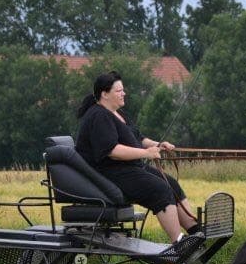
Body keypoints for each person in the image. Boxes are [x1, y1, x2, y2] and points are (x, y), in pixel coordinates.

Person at [75, 71, 199, 246]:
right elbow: (112, 150)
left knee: (172, 184)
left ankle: (196, 234)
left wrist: (158, 144)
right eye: (119, 91)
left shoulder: (118, 113)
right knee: (160, 190)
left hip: (129, 168)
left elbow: (138, 139)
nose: (123, 93)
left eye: (122, 90)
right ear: (104, 94)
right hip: (111, 173)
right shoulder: (98, 115)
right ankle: (179, 245)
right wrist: (147, 153)